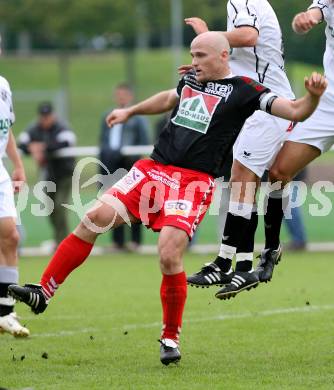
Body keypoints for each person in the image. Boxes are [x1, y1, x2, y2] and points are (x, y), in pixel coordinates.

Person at [8, 32, 326, 365]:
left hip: (192, 182)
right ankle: (43, 291)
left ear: (223, 56)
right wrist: (130, 110)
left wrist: (313, 97)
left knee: (169, 253)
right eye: (193, 54)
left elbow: (293, 111)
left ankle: (170, 337)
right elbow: (167, 98)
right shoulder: (191, 80)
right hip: (153, 169)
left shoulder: (245, 89)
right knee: (93, 218)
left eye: (201, 55)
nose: (194, 61)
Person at [184, 0, 297, 299]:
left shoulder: (243, 0)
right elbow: (248, 58)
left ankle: (230, 263)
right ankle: (240, 263)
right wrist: (206, 64)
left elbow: (248, 36)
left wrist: (208, 37)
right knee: (244, 180)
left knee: (244, 179)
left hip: (266, 103)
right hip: (257, 101)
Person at [263, 0, 334, 260]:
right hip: (328, 102)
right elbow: (311, 15)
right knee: (279, 172)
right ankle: (271, 250)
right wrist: (303, 19)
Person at [99, 83, 150, 251]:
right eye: (118, 94)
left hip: (130, 163)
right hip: (111, 163)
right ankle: (118, 242)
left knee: (134, 202)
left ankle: (135, 242)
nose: (120, 97)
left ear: (130, 96)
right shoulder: (107, 115)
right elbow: (103, 139)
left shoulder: (138, 118)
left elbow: (144, 141)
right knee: (113, 202)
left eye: (123, 94)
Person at [18, 103, 76, 246]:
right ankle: (59, 240)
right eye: (43, 117)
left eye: (47, 116)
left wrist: (41, 147)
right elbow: (21, 143)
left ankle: (63, 243)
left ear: (53, 115)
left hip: (64, 175)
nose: (45, 120)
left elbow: (66, 142)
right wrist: (32, 148)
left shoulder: (62, 127)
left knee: (59, 207)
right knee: (50, 209)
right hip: (49, 177)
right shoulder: (34, 129)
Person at [0, 73, 29, 337]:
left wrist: (17, 164)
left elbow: (5, 127)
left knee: (10, 236)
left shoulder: (4, 84)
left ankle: (5, 312)